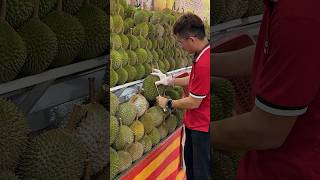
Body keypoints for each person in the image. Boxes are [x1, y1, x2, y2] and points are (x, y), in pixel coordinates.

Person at [211, 0, 320, 179]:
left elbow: (265, 131)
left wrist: (193, 133)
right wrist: (205, 64)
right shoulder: (283, 8)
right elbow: (273, 53)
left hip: (291, 169)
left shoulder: (299, 16)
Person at [152, 13, 211, 180]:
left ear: (191, 39)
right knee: (192, 170)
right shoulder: (203, 55)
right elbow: (194, 78)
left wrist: (169, 103)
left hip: (202, 128)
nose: (181, 46)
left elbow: (194, 102)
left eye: (181, 42)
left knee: (200, 174)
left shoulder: (205, 62)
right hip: (195, 125)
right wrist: (170, 80)